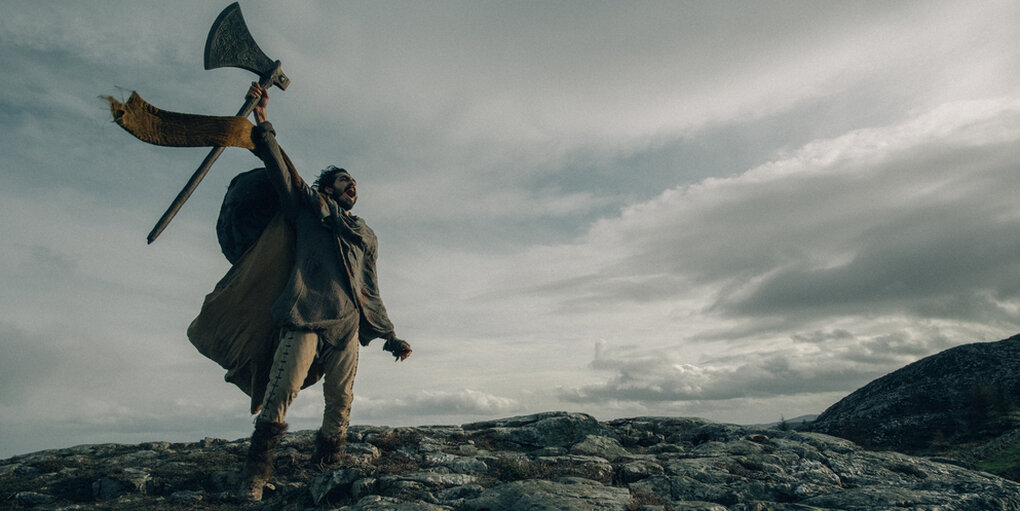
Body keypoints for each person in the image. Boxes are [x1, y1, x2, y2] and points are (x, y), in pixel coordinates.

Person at [238, 82, 412, 501]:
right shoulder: (307, 209)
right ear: (327, 186)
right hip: (304, 315)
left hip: (347, 326)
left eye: (354, 182)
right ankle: (254, 478)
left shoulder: (364, 233)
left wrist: (389, 336)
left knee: (341, 402)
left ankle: (326, 469)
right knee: (281, 392)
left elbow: (368, 286)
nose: (352, 186)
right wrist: (263, 119)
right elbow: (280, 168)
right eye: (343, 181)